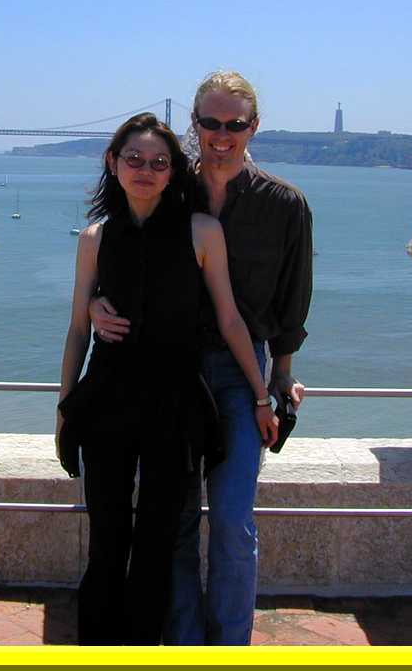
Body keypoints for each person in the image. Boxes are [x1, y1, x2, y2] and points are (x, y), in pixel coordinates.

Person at [90, 71, 313, 645]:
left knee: (234, 522)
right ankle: (186, 645)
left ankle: (229, 648)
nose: (221, 134)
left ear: (253, 127)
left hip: (241, 377)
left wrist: (279, 380)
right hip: (178, 375)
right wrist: (94, 302)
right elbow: (122, 246)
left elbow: (292, 302)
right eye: (209, 122)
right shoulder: (170, 183)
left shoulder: (285, 205)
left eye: (234, 124)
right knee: (178, 523)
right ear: (194, 123)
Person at [56, 112, 272, 646]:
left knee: (156, 544)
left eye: (158, 162)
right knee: (107, 543)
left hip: (174, 409)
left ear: (174, 171)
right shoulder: (95, 237)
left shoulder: (203, 232)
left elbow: (228, 318)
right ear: (113, 163)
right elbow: (78, 329)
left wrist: (263, 393)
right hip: (107, 404)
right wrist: (64, 410)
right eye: (133, 159)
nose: (145, 170)